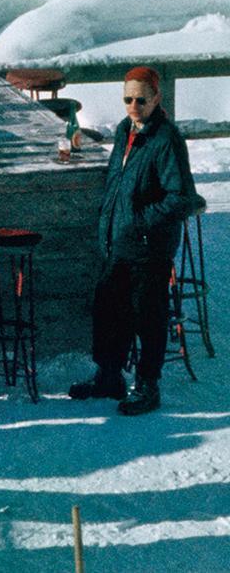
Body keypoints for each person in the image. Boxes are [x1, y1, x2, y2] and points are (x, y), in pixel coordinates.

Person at [67, 67, 201, 417]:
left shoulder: (165, 139)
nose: (134, 105)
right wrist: (112, 224)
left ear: (157, 98)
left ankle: (147, 385)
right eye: (128, 99)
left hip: (148, 245)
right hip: (119, 239)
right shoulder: (126, 130)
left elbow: (181, 197)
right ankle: (109, 375)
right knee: (109, 307)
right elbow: (119, 182)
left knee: (147, 314)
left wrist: (140, 223)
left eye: (142, 99)